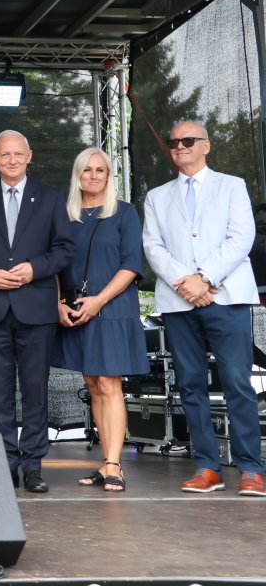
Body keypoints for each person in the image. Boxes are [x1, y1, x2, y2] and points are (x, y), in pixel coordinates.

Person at [142, 121, 265, 496]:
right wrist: (187, 283)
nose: (180, 146)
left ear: (206, 146)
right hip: (179, 303)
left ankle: (251, 469)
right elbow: (153, 247)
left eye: (188, 140)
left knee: (237, 383)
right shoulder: (157, 197)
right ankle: (207, 467)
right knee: (190, 385)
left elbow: (241, 237)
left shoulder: (232, 186)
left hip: (225, 297)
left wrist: (205, 278)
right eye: (174, 141)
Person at [0, 130, 75, 493]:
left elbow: (65, 249)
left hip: (36, 308)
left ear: (29, 156)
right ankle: (5, 464)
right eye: (4, 155)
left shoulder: (51, 198)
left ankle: (33, 465)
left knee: (35, 390)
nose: (11, 160)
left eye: (17, 154)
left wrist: (35, 269)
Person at [53, 148, 146, 492]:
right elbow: (54, 266)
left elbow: (131, 265)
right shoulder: (63, 216)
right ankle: (106, 461)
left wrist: (99, 301)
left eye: (100, 170)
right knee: (93, 384)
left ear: (109, 176)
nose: (93, 176)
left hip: (112, 310)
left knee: (109, 384)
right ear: (77, 175)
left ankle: (114, 465)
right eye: (87, 170)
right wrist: (58, 303)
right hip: (77, 311)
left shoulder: (124, 213)